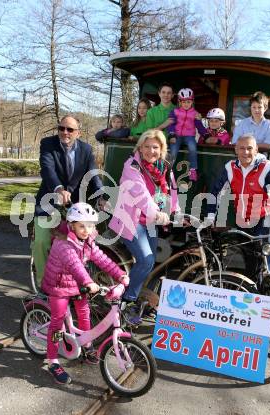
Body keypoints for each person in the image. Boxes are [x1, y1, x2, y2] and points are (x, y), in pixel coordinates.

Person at [41, 202, 129, 385]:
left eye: (90, 225)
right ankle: (52, 361)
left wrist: (119, 274)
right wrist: (89, 282)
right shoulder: (63, 243)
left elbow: (101, 259)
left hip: (78, 283)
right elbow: (74, 264)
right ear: (71, 224)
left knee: (84, 311)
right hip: (59, 285)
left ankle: (87, 345)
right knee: (57, 323)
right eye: (81, 225)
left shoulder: (88, 240)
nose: (86, 230)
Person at [109, 129, 179, 325]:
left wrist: (177, 211)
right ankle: (127, 301)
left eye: (155, 147)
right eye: (146, 146)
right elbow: (141, 195)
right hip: (130, 221)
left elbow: (171, 192)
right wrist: (157, 214)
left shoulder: (164, 166)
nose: (151, 151)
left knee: (150, 261)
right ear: (140, 147)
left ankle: (133, 295)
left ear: (162, 149)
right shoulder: (132, 166)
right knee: (146, 259)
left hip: (149, 222)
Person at [33, 115, 103, 286]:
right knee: (42, 242)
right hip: (49, 201)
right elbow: (47, 169)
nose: (65, 132)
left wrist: (101, 196)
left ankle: (77, 282)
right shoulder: (48, 144)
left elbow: (92, 174)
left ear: (78, 133)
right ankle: (43, 285)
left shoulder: (86, 150)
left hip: (75, 206)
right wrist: (58, 188)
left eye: (70, 129)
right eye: (61, 128)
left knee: (84, 242)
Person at [207, 134, 270, 235]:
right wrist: (210, 216)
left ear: (256, 150)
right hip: (242, 220)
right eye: (242, 148)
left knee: (260, 248)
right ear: (236, 150)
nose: (246, 152)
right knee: (239, 249)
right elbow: (215, 192)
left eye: (249, 148)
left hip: (266, 218)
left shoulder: (267, 167)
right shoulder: (229, 168)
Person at [167, 88, 208, 181]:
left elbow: (199, 126)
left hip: (189, 136)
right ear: (179, 102)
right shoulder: (174, 112)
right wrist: (172, 134)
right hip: (176, 135)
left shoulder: (195, 113)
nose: (186, 104)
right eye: (184, 102)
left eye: (188, 102)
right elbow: (171, 124)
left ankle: (193, 170)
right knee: (173, 151)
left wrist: (206, 134)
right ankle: (169, 170)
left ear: (192, 102)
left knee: (192, 148)